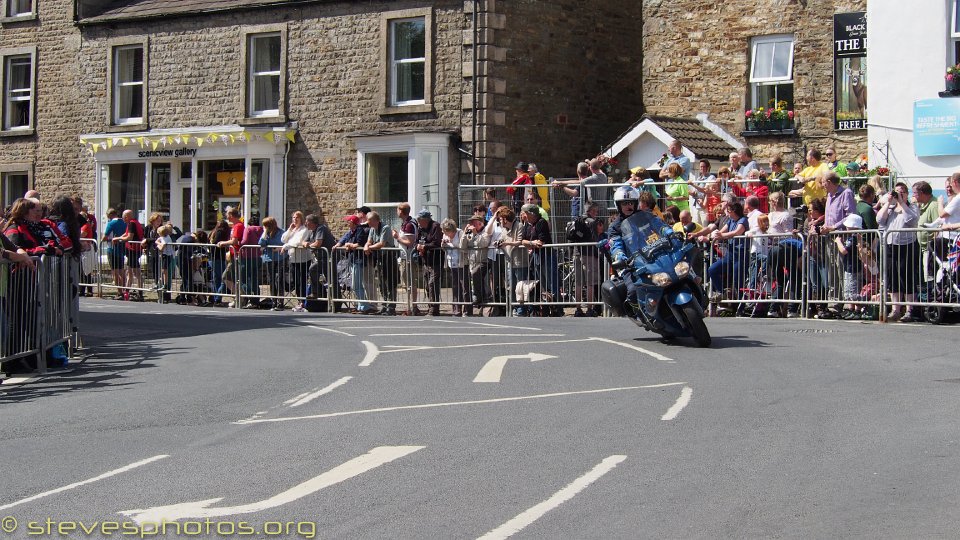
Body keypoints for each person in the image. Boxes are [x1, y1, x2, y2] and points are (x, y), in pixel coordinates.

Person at [877, 182, 921, 322]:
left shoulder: (912, 207)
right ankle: (895, 309)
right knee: (893, 277)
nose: (899, 194)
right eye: (896, 192)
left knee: (906, 277)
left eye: (902, 192)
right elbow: (879, 219)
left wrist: (902, 202)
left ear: (907, 194)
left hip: (907, 245)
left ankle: (910, 309)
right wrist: (888, 202)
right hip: (891, 245)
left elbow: (912, 220)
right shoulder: (890, 208)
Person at [707, 201, 749, 313]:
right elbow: (721, 232)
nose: (727, 213)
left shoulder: (743, 220)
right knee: (712, 269)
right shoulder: (730, 220)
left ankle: (740, 307)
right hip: (730, 255)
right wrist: (716, 235)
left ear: (734, 211)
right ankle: (723, 292)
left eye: (729, 211)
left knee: (738, 281)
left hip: (740, 255)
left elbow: (737, 232)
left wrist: (721, 236)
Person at [495, 206, 530, 316]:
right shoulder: (504, 230)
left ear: (505, 219)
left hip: (520, 261)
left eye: (500, 219)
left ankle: (522, 309)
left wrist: (507, 243)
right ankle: (515, 307)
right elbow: (505, 240)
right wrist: (500, 243)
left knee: (521, 286)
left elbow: (519, 241)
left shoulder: (519, 226)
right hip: (510, 262)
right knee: (512, 286)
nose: (500, 221)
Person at [337, 214, 373, 314]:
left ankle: (364, 306)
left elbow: (360, 243)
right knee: (355, 284)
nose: (347, 223)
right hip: (353, 259)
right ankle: (361, 305)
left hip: (359, 260)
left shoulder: (359, 230)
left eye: (348, 221)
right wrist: (342, 245)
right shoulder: (351, 232)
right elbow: (345, 240)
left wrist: (350, 245)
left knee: (356, 284)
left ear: (353, 222)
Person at [364, 211, 399, 315]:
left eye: (370, 221)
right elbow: (369, 241)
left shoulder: (385, 228)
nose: (368, 223)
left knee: (390, 283)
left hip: (388, 257)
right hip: (379, 258)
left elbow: (381, 244)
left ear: (376, 220)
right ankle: (384, 305)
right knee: (381, 282)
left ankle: (391, 307)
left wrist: (369, 247)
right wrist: (366, 245)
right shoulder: (372, 229)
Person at [392, 202, 420, 314]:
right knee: (406, 283)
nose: (396, 212)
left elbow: (409, 242)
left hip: (408, 257)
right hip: (404, 257)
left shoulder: (409, 225)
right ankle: (410, 305)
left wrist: (397, 237)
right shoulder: (405, 223)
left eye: (398, 210)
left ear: (401, 211)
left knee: (410, 283)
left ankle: (413, 306)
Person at [460, 213, 489, 317]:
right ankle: (478, 299)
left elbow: (484, 243)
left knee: (476, 273)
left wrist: (476, 234)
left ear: (480, 223)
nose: (471, 224)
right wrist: (464, 233)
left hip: (483, 261)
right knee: (473, 276)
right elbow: (462, 247)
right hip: (472, 262)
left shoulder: (486, 231)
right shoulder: (470, 233)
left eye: (474, 222)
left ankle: (479, 296)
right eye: (470, 222)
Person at [415, 209, 443, 316]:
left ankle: (434, 309)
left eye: (419, 219)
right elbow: (417, 241)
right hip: (425, 260)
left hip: (436, 260)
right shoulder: (420, 228)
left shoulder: (435, 226)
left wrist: (424, 247)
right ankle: (430, 306)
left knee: (433, 284)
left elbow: (436, 242)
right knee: (427, 285)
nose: (418, 221)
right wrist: (418, 246)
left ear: (425, 220)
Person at [281, 211, 311, 309]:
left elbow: (297, 242)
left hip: (302, 259)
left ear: (301, 219)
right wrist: (289, 230)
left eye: (297, 217)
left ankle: (303, 302)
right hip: (293, 259)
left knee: (301, 281)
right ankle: (300, 301)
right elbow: (283, 239)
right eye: (293, 217)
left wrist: (285, 247)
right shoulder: (293, 230)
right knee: (296, 281)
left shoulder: (304, 230)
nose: (295, 219)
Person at [440, 218, 468, 316]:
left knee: (464, 286)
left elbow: (461, 245)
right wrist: (444, 244)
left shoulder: (460, 233)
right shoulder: (445, 235)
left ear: (451, 230)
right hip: (452, 263)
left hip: (462, 263)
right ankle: (456, 309)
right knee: (455, 287)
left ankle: (467, 309)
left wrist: (449, 244)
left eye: (446, 232)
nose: (445, 234)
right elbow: (444, 247)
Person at [115, 209, 145, 300]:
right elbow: (126, 233)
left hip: (133, 250)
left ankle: (139, 292)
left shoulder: (132, 223)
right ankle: (127, 292)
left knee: (136, 272)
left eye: (124, 217)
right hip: (133, 250)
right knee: (129, 272)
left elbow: (129, 237)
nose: (123, 219)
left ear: (127, 217)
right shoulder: (134, 222)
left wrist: (118, 239)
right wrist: (119, 237)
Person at [259, 216, 286, 310]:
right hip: (269, 259)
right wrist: (264, 232)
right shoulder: (266, 234)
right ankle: (273, 301)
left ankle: (280, 301)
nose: (264, 227)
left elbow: (282, 243)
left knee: (279, 279)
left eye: (265, 226)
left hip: (280, 258)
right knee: (271, 280)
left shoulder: (281, 232)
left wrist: (277, 248)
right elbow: (261, 243)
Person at [102, 208, 127, 294]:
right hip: (122, 248)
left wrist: (103, 239)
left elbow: (105, 237)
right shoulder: (124, 222)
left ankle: (119, 291)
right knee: (121, 270)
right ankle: (124, 290)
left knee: (115, 272)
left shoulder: (111, 223)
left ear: (110, 216)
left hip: (112, 249)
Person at [208, 220, 230, 305]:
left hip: (213, 258)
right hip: (218, 257)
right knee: (223, 278)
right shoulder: (221, 232)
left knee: (216, 278)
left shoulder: (214, 232)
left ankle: (216, 296)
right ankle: (217, 297)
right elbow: (216, 243)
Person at [687, 159, 715, 225]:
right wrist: (687, 191)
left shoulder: (711, 177)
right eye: (701, 167)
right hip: (697, 205)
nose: (702, 168)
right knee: (696, 225)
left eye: (704, 166)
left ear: (708, 167)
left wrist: (693, 184)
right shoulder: (699, 178)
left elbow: (705, 190)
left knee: (705, 225)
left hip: (705, 206)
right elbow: (695, 193)